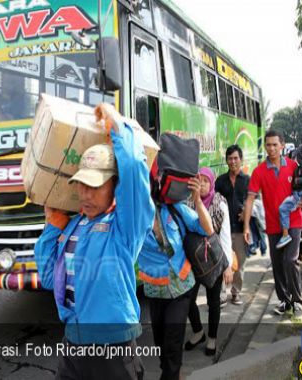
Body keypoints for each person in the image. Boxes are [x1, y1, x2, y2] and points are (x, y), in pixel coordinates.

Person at [34, 103, 153, 379]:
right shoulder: (74, 225)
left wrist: (118, 127)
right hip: (73, 346)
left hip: (113, 350)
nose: (85, 193)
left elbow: (135, 170)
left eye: (95, 185)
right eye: (81, 184)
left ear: (114, 185)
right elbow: (51, 279)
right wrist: (52, 229)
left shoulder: (124, 226)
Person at [138, 163, 214, 380]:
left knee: (172, 342)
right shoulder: (136, 218)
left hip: (182, 288)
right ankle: (174, 373)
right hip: (155, 290)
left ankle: (171, 375)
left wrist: (197, 199)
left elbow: (207, 229)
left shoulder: (174, 208)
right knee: (161, 343)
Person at [243, 130, 302, 318]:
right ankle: (284, 300)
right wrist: (246, 227)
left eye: (275, 144)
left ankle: (297, 301)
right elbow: (250, 199)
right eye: (268, 145)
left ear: (282, 146)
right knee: (277, 264)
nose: (271, 148)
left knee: (290, 260)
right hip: (273, 225)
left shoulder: (293, 166)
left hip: (294, 222)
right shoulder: (259, 171)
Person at [185, 167, 234, 356]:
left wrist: (227, 265)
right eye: (199, 180)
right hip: (193, 259)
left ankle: (212, 338)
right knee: (188, 299)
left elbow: (225, 235)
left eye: (206, 181)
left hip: (213, 258)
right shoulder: (189, 201)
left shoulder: (219, 202)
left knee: (213, 301)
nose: (203, 184)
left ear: (212, 183)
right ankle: (198, 332)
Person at [214, 145, 249, 305]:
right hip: (222, 230)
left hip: (241, 230)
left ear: (241, 160)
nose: (233, 161)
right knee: (221, 261)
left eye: (235, 158)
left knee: (240, 264)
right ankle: (221, 294)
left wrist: (247, 213)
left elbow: (254, 201)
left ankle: (236, 292)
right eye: (230, 158)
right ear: (226, 161)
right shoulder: (220, 181)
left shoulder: (247, 180)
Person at [276, 144, 302, 249]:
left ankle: (287, 236)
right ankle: (294, 237)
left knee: (283, 209)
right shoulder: (301, 166)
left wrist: (297, 181)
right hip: (301, 197)